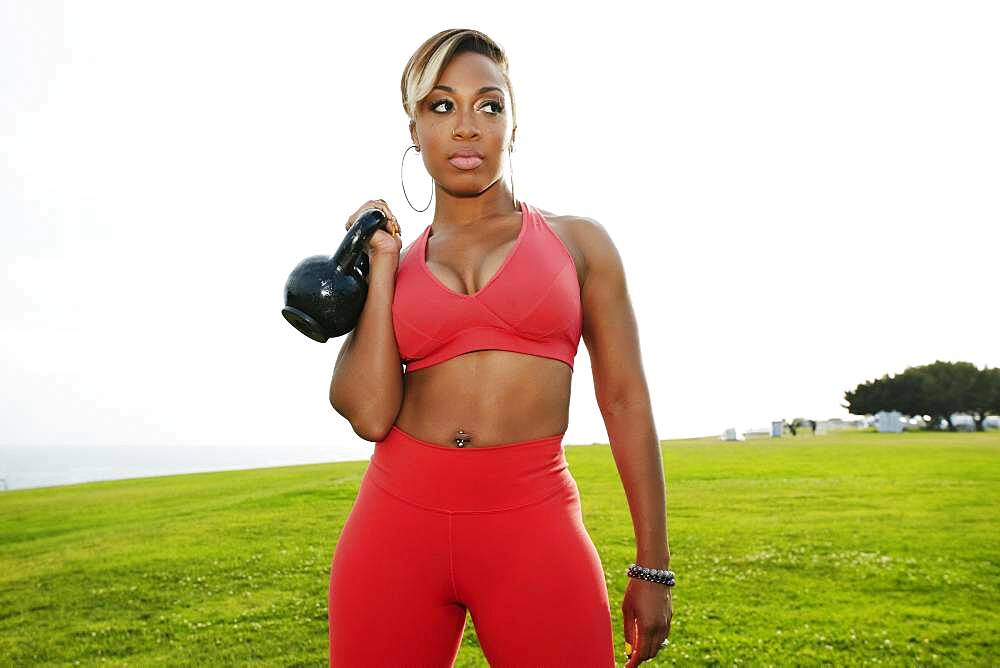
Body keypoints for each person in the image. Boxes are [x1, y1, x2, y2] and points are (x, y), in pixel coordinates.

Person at [327, 28, 672, 667]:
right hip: (395, 523)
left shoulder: (579, 245)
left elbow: (625, 402)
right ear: (414, 128)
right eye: (441, 106)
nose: (466, 127)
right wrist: (374, 264)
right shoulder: (395, 264)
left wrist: (654, 569)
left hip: (532, 522)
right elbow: (369, 413)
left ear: (513, 126)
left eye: (489, 106)